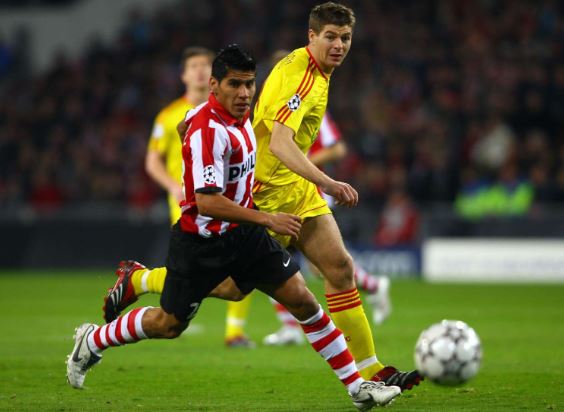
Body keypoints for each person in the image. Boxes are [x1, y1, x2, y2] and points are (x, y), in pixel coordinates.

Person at [104, 2, 421, 391]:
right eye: (331, 37)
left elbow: (251, 111)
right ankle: (142, 279)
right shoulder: (300, 77)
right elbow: (284, 144)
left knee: (339, 268)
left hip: (298, 192)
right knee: (234, 288)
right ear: (312, 36)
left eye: (345, 38)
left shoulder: (315, 71)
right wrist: (331, 182)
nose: (339, 45)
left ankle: (372, 371)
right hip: (268, 194)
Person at [103, 47, 255, 348]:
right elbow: (152, 160)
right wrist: (173, 186)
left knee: (237, 270)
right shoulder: (169, 115)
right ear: (184, 75)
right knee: (203, 274)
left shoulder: (236, 111)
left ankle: (234, 331)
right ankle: (141, 281)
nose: (198, 70)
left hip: (228, 200)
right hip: (193, 203)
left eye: (204, 65)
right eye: (193, 66)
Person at [263, 110, 392, 347]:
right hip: (284, 192)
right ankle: (290, 327)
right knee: (278, 257)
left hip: (309, 192)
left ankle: (373, 286)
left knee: (302, 261)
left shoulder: (311, 110)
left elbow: (338, 149)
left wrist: (301, 162)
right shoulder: (281, 113)